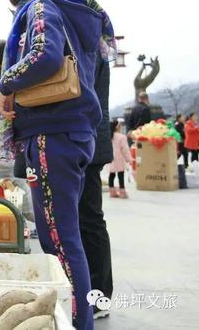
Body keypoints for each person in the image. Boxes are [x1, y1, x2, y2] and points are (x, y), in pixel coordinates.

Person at [0, 0, 117, 330]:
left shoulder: (40, 7)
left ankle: (77, 322)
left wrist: (6, 83)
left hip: (53, 133)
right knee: (65, 233)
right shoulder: (71, 12)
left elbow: (44, 56)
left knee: (61, 239)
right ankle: (74, 317)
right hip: (71, 132)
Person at [79, 50, 115, 321]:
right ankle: (92, 292)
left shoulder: (91, 50)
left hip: (88, 144)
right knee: (87, 220)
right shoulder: (94, 47)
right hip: (90, 142)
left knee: (90, 219)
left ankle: (100, 295)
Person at [107, 119, 132, 199]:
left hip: (110, 158)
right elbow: (125, 149)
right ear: (118, 127)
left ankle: (112, 192)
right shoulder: (122, 137)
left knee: (111, 175)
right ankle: (122, 192)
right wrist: (129, 159)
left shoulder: (108, 136)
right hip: (119, 159)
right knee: (120, 175)